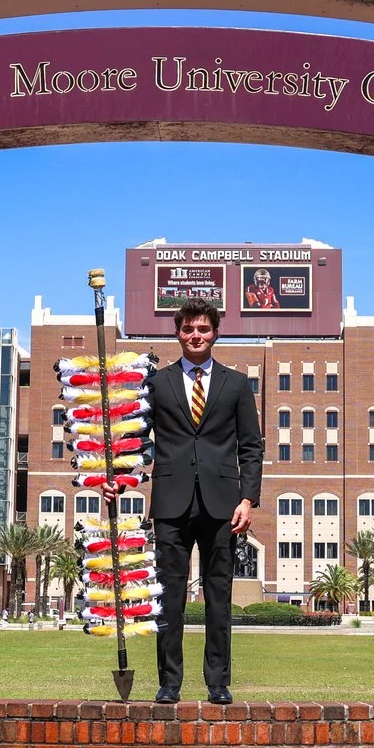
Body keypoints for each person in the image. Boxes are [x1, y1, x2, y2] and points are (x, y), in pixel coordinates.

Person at [143, 295, 263, 704]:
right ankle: (169, 683)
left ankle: (218, 682)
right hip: (171, 504)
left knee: (219, 599)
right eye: (188, 328)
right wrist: (117, 482)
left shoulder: (235, 384)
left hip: (223, 505)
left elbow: (252, 447)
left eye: (203, 329)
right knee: (169, 599)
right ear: (178, 333)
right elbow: (134, 443)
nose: (196, 335)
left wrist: (248, 500)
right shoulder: (157, 383)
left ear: (215, 333)